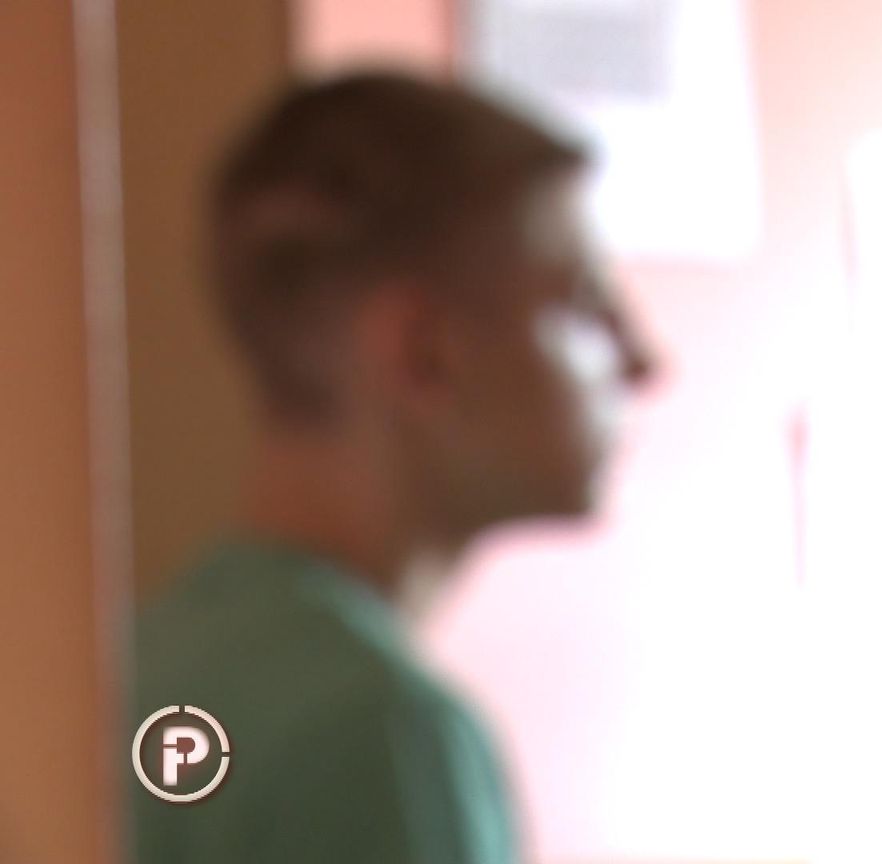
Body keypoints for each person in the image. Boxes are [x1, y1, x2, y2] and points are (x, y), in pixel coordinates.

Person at [130, 71, 654, 863]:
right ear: (423, 352)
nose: (642, 362)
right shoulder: (378, 730)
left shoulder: (151, 663)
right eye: (583, 303)